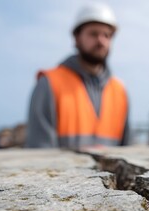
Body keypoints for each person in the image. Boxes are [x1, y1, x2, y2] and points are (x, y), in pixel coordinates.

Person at [26, 3, 129, 149]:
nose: (101, 41)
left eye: (106, 35)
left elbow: (126, 150)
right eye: (93, 34)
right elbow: (39, 151)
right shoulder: (49, 83)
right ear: (76, 38)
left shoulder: (120, 91)